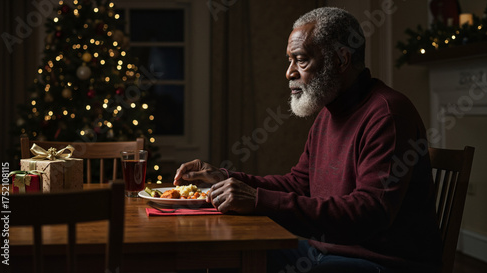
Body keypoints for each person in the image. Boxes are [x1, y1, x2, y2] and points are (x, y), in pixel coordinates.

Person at [174, 7, 442, 273]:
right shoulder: (328, 113)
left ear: (341, 60)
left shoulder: (388, 114)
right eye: (289, 61)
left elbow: (370, 213)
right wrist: (225, 177)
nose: (289, 72)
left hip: (381, 262)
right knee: (226, 256)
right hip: (323, 252)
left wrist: (257, 199)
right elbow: (299, 184)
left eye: (300, 60)